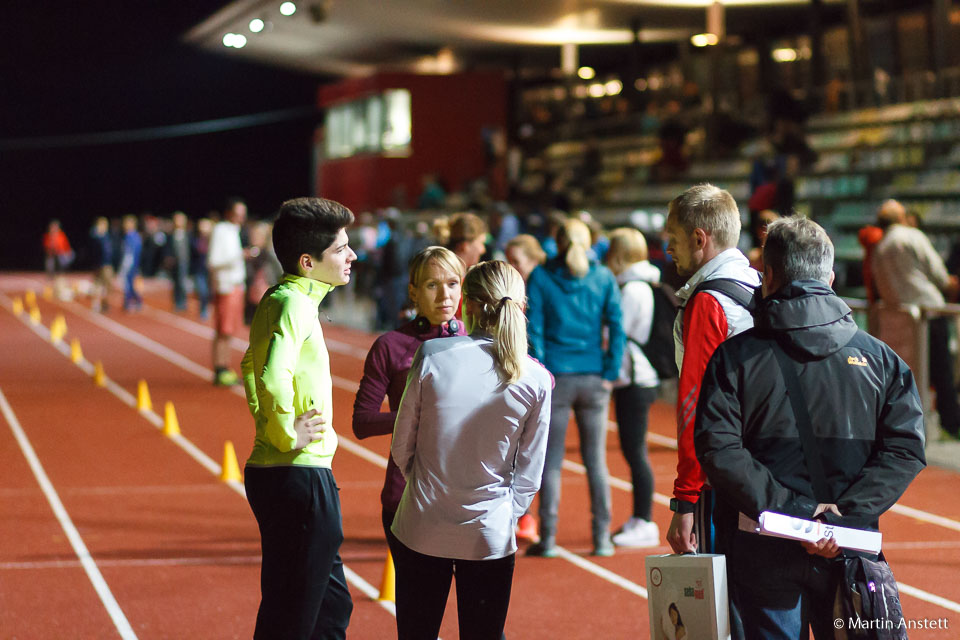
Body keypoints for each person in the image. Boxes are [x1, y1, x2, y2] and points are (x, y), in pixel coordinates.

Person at [694, 215, 926, 638]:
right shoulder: (882, 359)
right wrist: (844, 517)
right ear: (831, 276)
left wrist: (797, 515)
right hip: (851, 546)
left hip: (762, 544)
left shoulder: (734, 358)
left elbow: (718, 450)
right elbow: (906, 448)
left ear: (767, 276)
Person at [391, 260, 552, 640]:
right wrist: (500, 513)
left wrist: (428, 485)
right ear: (521, 306)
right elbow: (530, 474)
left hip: (421, 522)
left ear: (470, 305)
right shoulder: (537, 378)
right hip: (489, 533)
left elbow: (402, 446)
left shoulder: (433, 355)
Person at [241, 197, 357, 640]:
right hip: (300, 475)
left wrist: (269, 429)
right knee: (294, 618)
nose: (352, 256)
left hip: (285, 473)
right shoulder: (295, 305)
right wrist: (284, 433)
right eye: (341, 249)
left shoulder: (280, 297)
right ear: (308, 262)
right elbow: (270, 377)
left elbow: (250, 366)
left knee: (329, 607)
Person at [663, 184, 760, 558]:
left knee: (722, 604)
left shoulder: (707, 302)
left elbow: (695, 402)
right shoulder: (757, 283)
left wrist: (685, 499)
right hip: (765, 463)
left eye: (673, 238)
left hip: (721, 472)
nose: (668, 248)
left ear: (699, 238)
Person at [352, 246, 466, 549]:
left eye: (452, 284)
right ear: (414, 292)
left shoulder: (477, 342)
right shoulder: (391, 345)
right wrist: (419, 417)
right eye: (432, 285)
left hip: (467, 499)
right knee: (417, 597)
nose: (445, 295)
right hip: (407, 495)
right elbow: (362, 423)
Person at [526, 217, 625, 557]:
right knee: (596, 461)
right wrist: (610, 369)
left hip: (556, 377)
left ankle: (549, 538)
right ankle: (601, 538)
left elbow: (533, 327)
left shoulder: (541, 276)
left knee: (550, 462)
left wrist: (541, 369)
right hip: (594, 377)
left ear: (558, 242)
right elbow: (617, 324)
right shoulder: (603, 277)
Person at [872, 198, 960, 439]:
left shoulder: (880, 247)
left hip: (901, 318)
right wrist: (947, 284)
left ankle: (914, 425)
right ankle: (951, 424)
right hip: (928, 312)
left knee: (911, 375)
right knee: (941, 372)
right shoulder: (911, 236)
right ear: (901, 217)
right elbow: (938, 272)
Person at [604, 228, 661, 548]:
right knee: (632, 450)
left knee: (635, 450)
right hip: (635, 376)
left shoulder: (632, 289)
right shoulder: (637, 285)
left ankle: (645, 519)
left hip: (636, 377)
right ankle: (641, 517)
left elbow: (616, 333)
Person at [208, 197, 248, 386]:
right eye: (237, 214)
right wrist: (240, 256)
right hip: (226, 286)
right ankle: (220, 369)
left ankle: (224, 367)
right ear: (229, 213)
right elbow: (214, 261)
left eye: (242, 214)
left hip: (235, 285)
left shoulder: (233, 231)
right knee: (223, 329)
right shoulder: (221, 231)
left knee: (229, 330)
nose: (241, 218)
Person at [164, 211, 193, 312]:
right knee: (176, 283)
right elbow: (167, 249)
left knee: (183, 283)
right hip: (175, 264)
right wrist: (168, 258)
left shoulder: (188, 234)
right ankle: (177, 302)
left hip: (184, 263)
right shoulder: (171, 235)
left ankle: (183, 302)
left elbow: (191, 249)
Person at [43, 219, 74, 299]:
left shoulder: (61, 235)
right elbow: (46, 247)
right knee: (50, 272)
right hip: (52, 257)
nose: (53, 229)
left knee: (60, 274)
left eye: (55, 227)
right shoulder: (48, 236)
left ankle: (60, 289)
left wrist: (66, 254)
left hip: (60, 256)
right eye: (52, 227)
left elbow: (66, 246)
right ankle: (52, 289)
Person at [89, 217, 113, 313]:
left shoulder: (107, 237)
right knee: (97, 285)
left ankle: (104, 303)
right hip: (99, 264)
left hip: (107, 264)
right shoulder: (96, 237)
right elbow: (94, 252)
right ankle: (96, 303)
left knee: (107, 286)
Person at [119, 215, 143, 312]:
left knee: (129, 284)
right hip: (131, 264)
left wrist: (126, 266)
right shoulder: (128, 236)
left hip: (131, 265)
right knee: (129, 284)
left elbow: (131, 253)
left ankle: (132, 301)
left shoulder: (133, 237)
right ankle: (134, 301)